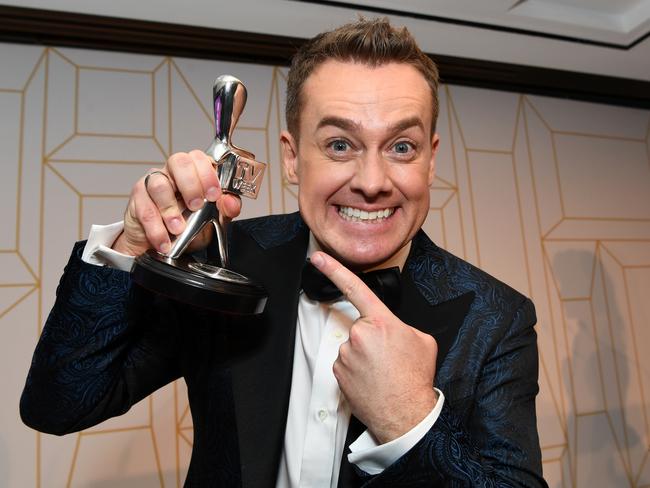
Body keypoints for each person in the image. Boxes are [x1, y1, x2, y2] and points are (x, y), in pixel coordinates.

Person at [20, 18, 547, 487]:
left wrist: (409, 420)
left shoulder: (498, 318)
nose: (371, 182)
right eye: (340, 144)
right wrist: (133, 244)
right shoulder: (227, 259)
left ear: (430, 161)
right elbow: (60, 404)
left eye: (401, 147)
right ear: (292, 158)